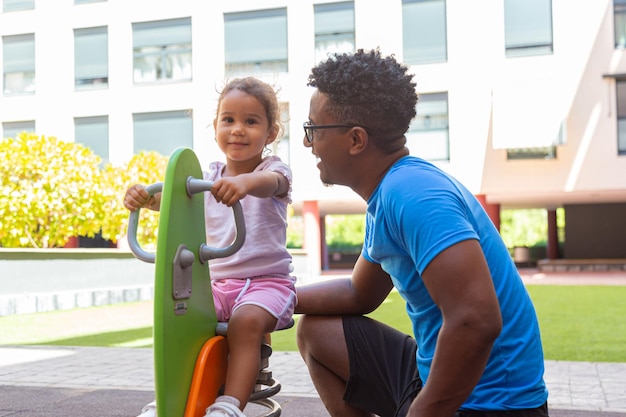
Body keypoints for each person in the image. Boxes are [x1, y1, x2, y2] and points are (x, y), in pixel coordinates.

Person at [295, 49, 549, 417]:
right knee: (317, 331)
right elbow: (358, 293)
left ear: (355, 140)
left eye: (313, 129)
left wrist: (424, 411)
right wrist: (275, 298)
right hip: (433, 376)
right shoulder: (390, 193)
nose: (307, 142)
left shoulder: (414, 194)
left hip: (490, 404)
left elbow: (476, 320)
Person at [124, 77, 296, 417]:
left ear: (271, 133)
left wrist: (244, 183)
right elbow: (172, 200)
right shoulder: (207, 177)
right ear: (215, 126)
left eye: (251, 122)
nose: (237, 130)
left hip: (267, 284)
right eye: (228, 120)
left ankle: (230, 405)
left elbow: (271, 184)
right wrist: (144, 198)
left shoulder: (272, 170)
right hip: (216, 285)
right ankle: (172, 398)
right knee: (181, 318)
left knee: (245, 323)